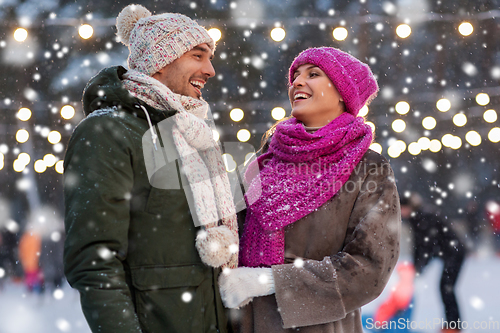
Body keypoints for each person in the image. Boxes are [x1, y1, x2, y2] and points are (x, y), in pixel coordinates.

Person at [63, 4, 238, 333]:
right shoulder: (108, 132)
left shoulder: (192, 134)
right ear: (159, 62)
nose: (211, 69)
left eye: (209, 57)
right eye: (198, 55)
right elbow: (94, 260)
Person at [219, 47, 401, 332]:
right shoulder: (265, 159)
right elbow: (230, 233)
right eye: (295, 77)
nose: (297, 83)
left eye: (313, 74)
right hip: (246, 323)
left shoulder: (369, 168)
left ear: (343, 93)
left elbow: (370, 267)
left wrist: (270, 281)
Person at [400, 193, 466, 333]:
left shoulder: (423, 217)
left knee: (446, 287)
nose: (401, 212)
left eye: (402, 208)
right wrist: (416, 266)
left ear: (407, 207)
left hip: (454, 252)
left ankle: (453, 327)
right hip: (447, 252)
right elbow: (420, 246)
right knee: (445, 288)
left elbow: (425, 245)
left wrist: (417, 267)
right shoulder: (417, 217)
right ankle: (452, 325)